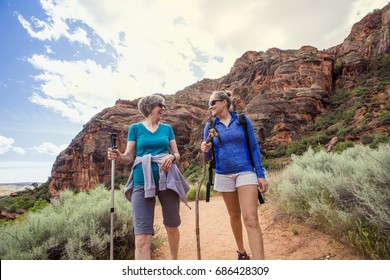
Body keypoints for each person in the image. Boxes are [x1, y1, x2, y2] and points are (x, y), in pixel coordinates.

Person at [108, 94, 190, 260]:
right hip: (141, 181)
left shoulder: (167, 128)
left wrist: (171, 157)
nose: (164, 109)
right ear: (149, 107)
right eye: (161, 105)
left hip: (167, 180)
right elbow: (128, 157)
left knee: (172, 226)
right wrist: (118, 155)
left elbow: (177, 153)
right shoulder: (135, 128)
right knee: (142, 237)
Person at [200, 90, 269, 260]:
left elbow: (253, 147)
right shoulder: (210, 127)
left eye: (213, 102)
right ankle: (242, 252)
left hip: (245, 171)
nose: (210, 106)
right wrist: (205, 150)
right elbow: (208, 158)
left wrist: (260, 174)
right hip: (223, 174)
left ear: (224, 102)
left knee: (251, 218)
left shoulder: (242, 121)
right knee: (234, 216)